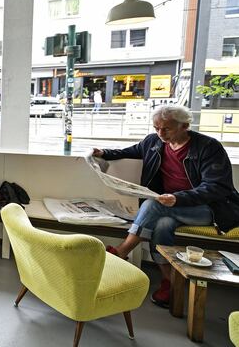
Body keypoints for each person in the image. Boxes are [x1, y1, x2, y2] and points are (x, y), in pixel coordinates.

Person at [93, 105, 239, 307]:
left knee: (154, 205)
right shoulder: (154, 141)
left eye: (167, 129)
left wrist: (179, 198)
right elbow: (133, 150)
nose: (160, 133)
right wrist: (104, 152)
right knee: (162, 225)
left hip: (210, 210)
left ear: (185, 126)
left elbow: (217, 187)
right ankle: (169, 282)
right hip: (170, 207)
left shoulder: (208, 147)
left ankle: (121, 251)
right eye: (156, 128)